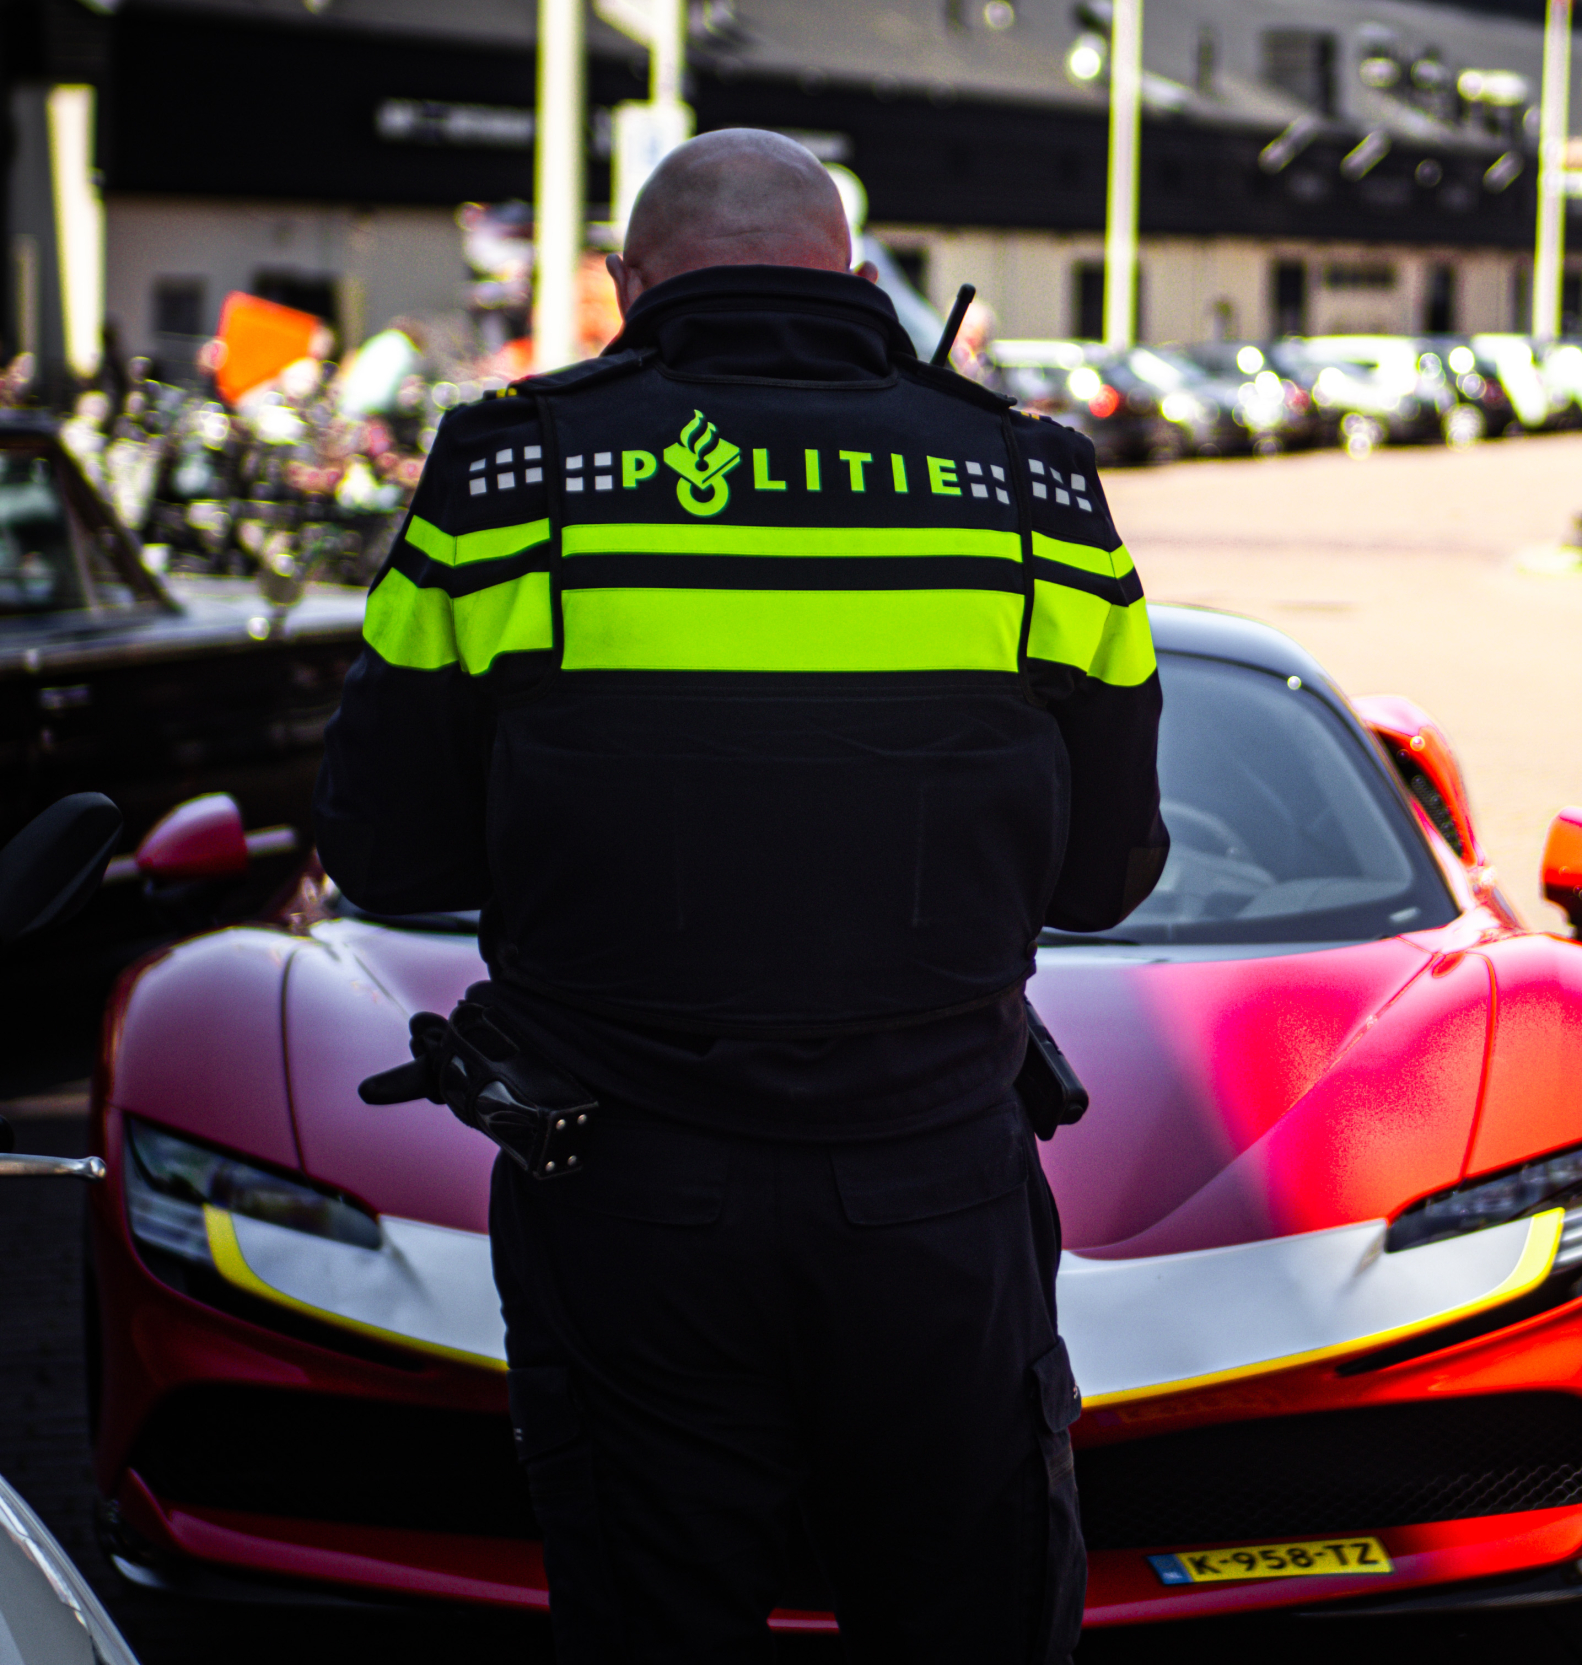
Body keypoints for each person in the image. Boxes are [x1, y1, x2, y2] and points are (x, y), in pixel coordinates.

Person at [314, 129, 1167, 1664]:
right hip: (937, 1194)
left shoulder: (509, 471)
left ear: (628, 287)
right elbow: (1109, 877)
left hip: (624, 1199)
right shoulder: (1034, 484)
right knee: (968, 1616)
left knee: (656, 1616)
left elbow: (386, 853)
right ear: (850, 275)